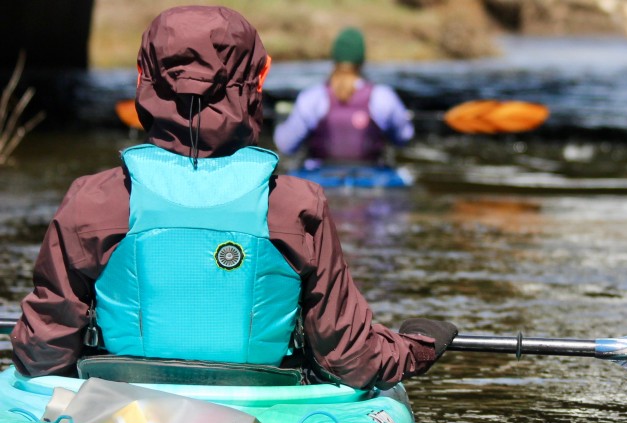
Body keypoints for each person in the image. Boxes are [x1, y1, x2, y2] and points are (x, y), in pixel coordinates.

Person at [9, 5, 456, 390]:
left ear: (143, 79)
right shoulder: (296, 205)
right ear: (256, 84)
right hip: (259, 410)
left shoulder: (94, 199)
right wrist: (416, 346)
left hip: (124, 412)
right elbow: (351, 359)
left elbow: (42, 355)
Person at [273, 26, 414, 167]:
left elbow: (286, 146)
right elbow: (404, 137)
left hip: (319, 181)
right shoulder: (384, 97)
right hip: (373, 183)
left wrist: (280, 123)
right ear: (362, 61)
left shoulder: (311, 98)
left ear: (334, 59)